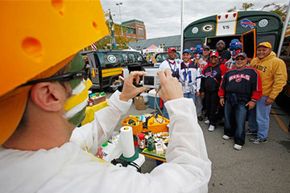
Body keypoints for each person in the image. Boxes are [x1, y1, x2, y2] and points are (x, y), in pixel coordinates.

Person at [0, 1, 211, 193]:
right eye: (81, 73)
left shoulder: (24, 153)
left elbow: (88, 135)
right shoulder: (90, 184)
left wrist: (122, 97)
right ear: (48, 95)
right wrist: (179, 104)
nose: (88, 83)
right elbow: (192, 177)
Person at [218, 53, 262, 150]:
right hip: (229, 97)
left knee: (240, 120)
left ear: (246, 60)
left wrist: (253, 100)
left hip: (243, 99)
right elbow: (222, 86)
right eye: (238, 59)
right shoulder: (229, 72)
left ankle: (239, 140)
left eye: (242, 59)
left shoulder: (252, 72)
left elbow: (257, 88)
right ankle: (228, 132)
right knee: (228, 117)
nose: (239, 61)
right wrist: (221, 97)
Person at [249, 42, 287, 144]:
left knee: (262, 117)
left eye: (264, 50)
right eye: (259, 50)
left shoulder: (277, 62)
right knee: (252, 114)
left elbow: (280, 81)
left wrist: (272, 97)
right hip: (253, 94)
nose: (261, 52)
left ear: (269, 50)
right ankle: (253, 130)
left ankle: (262, 137)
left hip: (265, 95)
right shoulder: (254, 60)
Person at [200, 51, 227, 131]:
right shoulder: (206, 67)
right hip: (208, 91)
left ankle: (213, 123)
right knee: (208, 106)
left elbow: (224, 81)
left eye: (215, 57)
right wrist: (202, 90)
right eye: (212, 57)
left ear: (218, 58)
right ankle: (209, 118)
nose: (213, 59)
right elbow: (203, 79)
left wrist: (222, 93)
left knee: (214, 108)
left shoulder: (222, 67)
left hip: (216, 91)